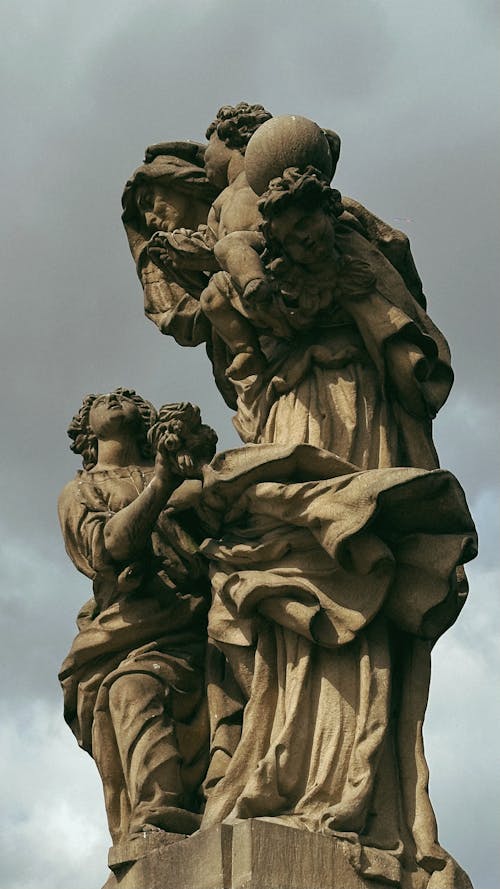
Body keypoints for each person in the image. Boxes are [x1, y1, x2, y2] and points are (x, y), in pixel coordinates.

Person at [58, 389, 217, 843]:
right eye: (103, 399)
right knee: (132, 689)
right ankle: (159, 814)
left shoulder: (184, 474)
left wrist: (197, 458)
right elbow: (108, 547)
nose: (117, 398)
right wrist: (163, 484)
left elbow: (228, 510)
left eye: (127, 396)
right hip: (131, 629)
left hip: (201, 619)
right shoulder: (81, 490)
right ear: (86, 428)